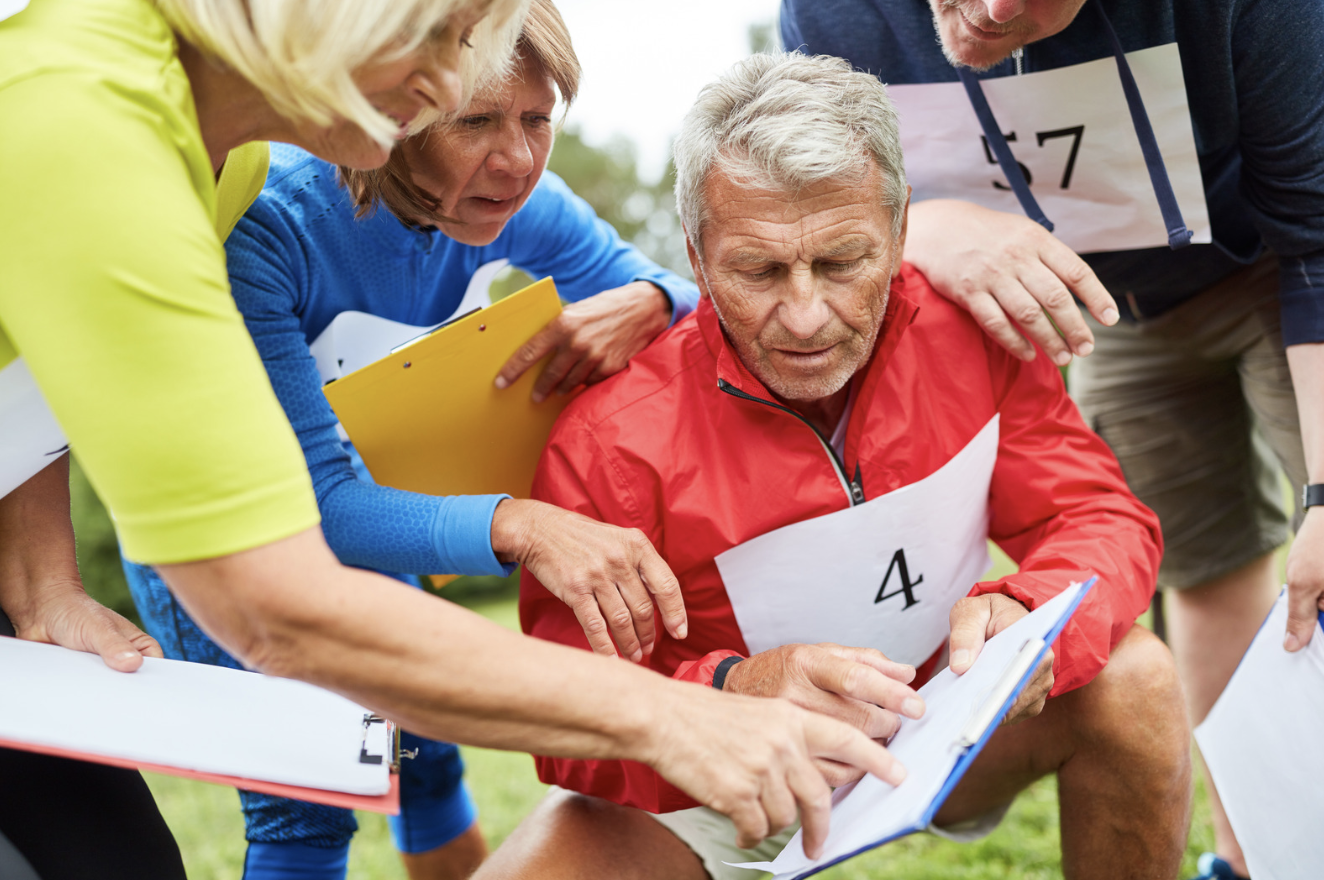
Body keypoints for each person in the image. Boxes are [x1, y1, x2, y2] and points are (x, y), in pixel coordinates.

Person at [0, 0, 898, 873]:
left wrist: (39, 582)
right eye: (444, 44)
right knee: (306, 795)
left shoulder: (209, 152)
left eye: (470, 43)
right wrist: (671, 712)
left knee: (411, 759)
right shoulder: (142, 150)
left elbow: (33, 369)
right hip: (257, 552)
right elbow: (277, 590)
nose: (446, 81)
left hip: (269, 557)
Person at [479, 52, 1193, 880]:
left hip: (945, 717)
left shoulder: (974, 333)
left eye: (844, 261)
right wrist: (735, 694)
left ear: (899, 233)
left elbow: (1102, 518)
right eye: (759, 271)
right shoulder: (608, 438)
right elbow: (568, 712)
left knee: (1133, 676)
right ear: (698, 258)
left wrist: (1029, 616)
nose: (808, 315)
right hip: (712, 775)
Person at [121, 2, 699, 877]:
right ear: (393, 107)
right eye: (477, 121)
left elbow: (684, 300)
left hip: (375, 525)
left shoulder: (517, 203)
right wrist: (523, 524)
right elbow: (323, 503)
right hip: (222, 540)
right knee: (307, 801)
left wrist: (654, 299)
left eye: (538, 119)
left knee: (424, 762)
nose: (517, 159)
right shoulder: (270, 229)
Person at [778, 2, 1324, 876]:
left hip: (1274, 269)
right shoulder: (829, 16)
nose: (991, 8)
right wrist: (931, 228)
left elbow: (1319, 233)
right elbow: (803, 205)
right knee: (1206, 563)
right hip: (1103, 311)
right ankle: (1253, 858)